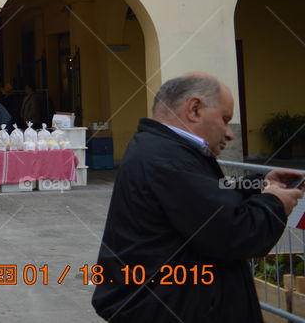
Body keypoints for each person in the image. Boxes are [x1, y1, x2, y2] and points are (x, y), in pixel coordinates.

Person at [92, 72, 303, 322]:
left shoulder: (164, 149)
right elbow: (235, 233)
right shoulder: (167, 159)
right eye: (225, 120)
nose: (230, 133)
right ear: (194, 109)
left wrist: (259, 184)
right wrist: (275, 203)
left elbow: (210, 193)